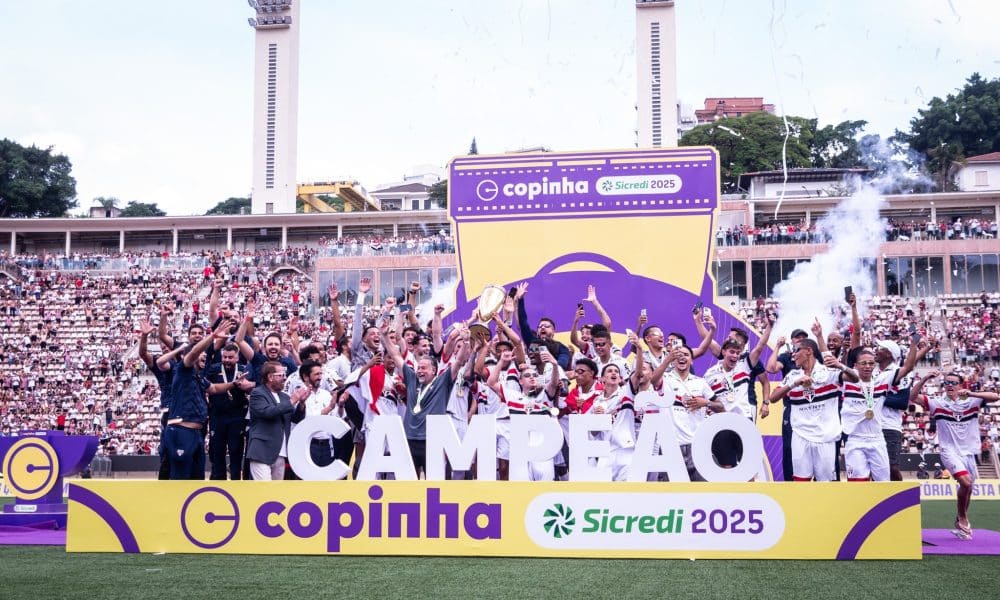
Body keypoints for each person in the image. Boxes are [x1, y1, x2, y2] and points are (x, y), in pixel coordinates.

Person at [910, 371, 1000, 540]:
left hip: (969, 452)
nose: (949, 385)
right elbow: (913, 396)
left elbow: (995, 396)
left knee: (968, 488)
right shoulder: (937, 403)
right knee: (965, 482)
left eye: (953, 382)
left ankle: (960, 519)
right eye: (946, 383)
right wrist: (924, 378)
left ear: (960, 385)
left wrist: (971, 392)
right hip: (949, 451)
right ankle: (963, 518)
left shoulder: (972, 401)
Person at [769, 338, 849, 481]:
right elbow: (773, 398)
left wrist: (841, 366)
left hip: (825, 437)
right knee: (801, 482)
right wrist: (793, 384)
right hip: (801, 436)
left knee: (825, 484)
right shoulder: (793, 375)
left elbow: (854, 378)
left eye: (796, 350)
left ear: (808, 351)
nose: (793, 355)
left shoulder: (828, 372)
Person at [246, 360, 303, 480]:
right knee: (264, 491)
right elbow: (267, 412)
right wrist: (292, 401)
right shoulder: (258, 393)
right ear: (270, 377)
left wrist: (302, 403)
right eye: (281, 375)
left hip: (280, 452)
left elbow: (295, 418)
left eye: (284, 375)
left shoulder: (284, 397)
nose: (284, 378)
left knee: (276, 494)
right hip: (261, 451)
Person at [205, 343, 254, 480]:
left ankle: (236, 483)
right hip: (217, 416)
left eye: (230, 357)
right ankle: (218, 483)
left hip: (237, 417)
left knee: (235, 452)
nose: (227, 360)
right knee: (217, 452)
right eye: (225, 357)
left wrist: (247, 386)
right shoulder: (214, 369)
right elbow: (205, 386)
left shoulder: (244, 370)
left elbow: (252, 388)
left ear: (237, 358)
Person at [839, 349, 889, 481]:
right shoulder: (846, 382)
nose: (868, 366)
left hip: (877, 438)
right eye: (863, 363)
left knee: (883, 484)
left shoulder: (881, 381)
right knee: (858, 484)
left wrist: (914, 344)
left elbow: (907, 368)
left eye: (871, 363)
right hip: (855, 439)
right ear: (855, 365)